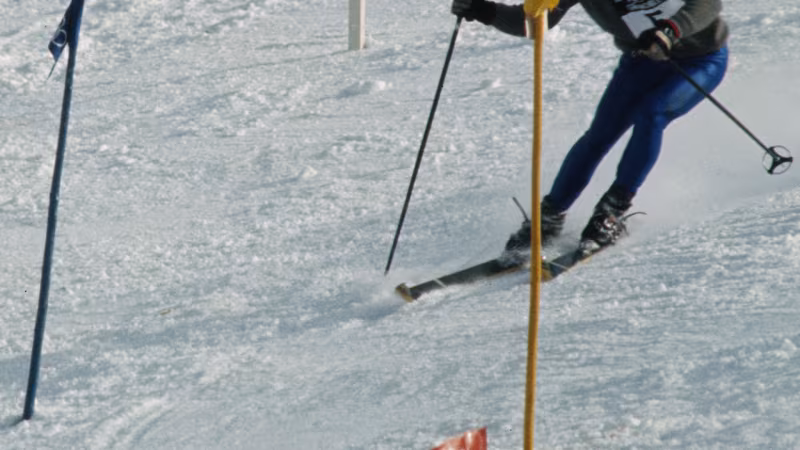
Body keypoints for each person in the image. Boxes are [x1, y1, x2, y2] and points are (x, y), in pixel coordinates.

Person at [450, 0, 729, 253]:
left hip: (700, 59)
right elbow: (533, 21)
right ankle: (550, 216)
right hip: (641, 63)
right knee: (600, 135)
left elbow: (708, 4)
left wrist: (670, 30)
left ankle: (612, 211)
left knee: (651, 114)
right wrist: (484, 10)